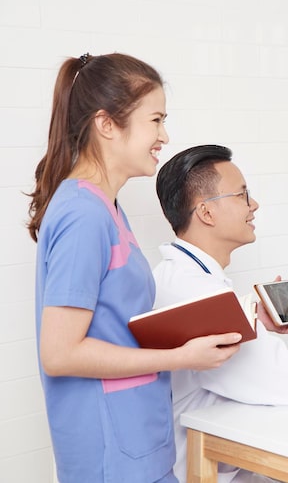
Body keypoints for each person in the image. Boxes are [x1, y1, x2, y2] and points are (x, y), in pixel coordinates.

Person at [28, 53, 241, 483]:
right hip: (111, 455)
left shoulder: (106, 207)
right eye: (155, 120)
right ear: (107, 124)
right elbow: (60, 353)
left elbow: (112, 325)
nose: (164, 136)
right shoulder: (83, 214)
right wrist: (181, 357)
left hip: (139, 442)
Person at [153, 144, 288, 483]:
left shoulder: (179, 277)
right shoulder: (200, 293)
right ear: (206, 212)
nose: (254, 205)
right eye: (242, 195)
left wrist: (252, 319)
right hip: (202, 467)